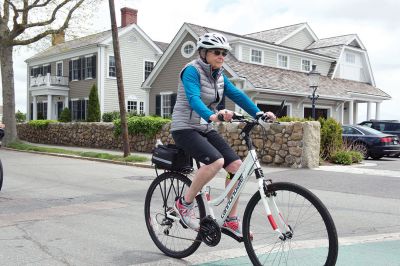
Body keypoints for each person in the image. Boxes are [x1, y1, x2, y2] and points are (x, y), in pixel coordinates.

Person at [171, 32, 276, 237]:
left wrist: (258, 113)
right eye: (217, 52)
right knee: (216, 162)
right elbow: (193, 99)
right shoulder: (191, 71)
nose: (221, 56)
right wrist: (213, 115)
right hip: (184, 128)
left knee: (236, 167)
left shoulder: (219, 76)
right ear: (204, 53)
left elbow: (237, 94)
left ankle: (230, 219)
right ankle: (184, 204)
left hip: (205, 128)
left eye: (224, 53)